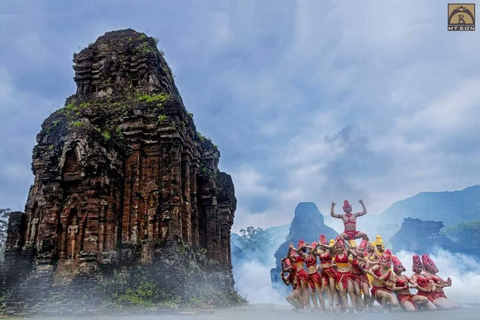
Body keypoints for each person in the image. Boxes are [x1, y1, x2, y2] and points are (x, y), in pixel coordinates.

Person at [316, 235, 338, 313]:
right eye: (322, 245)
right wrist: (317, 245)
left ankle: (337, 306)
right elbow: (312, 251)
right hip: (323, 272)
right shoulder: (320, 253)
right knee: (327, 289)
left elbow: (332, 246)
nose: (322, 247)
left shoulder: (330, 251)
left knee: (333, 289)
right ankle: (331, 306)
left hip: (330, 271)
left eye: (324, 244)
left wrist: (322, 244)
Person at [306, 242, 324, 312]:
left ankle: (322, 307)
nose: (308, 249)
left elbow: (313, 249)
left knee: (318, 292)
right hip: (309, 275)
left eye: (309, 248)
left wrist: (309, 246)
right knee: (311, 292)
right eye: (307, 249)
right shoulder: (306, 256)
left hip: (315, 274)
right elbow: (299, 252)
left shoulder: (314, 254)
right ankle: (316, 307)